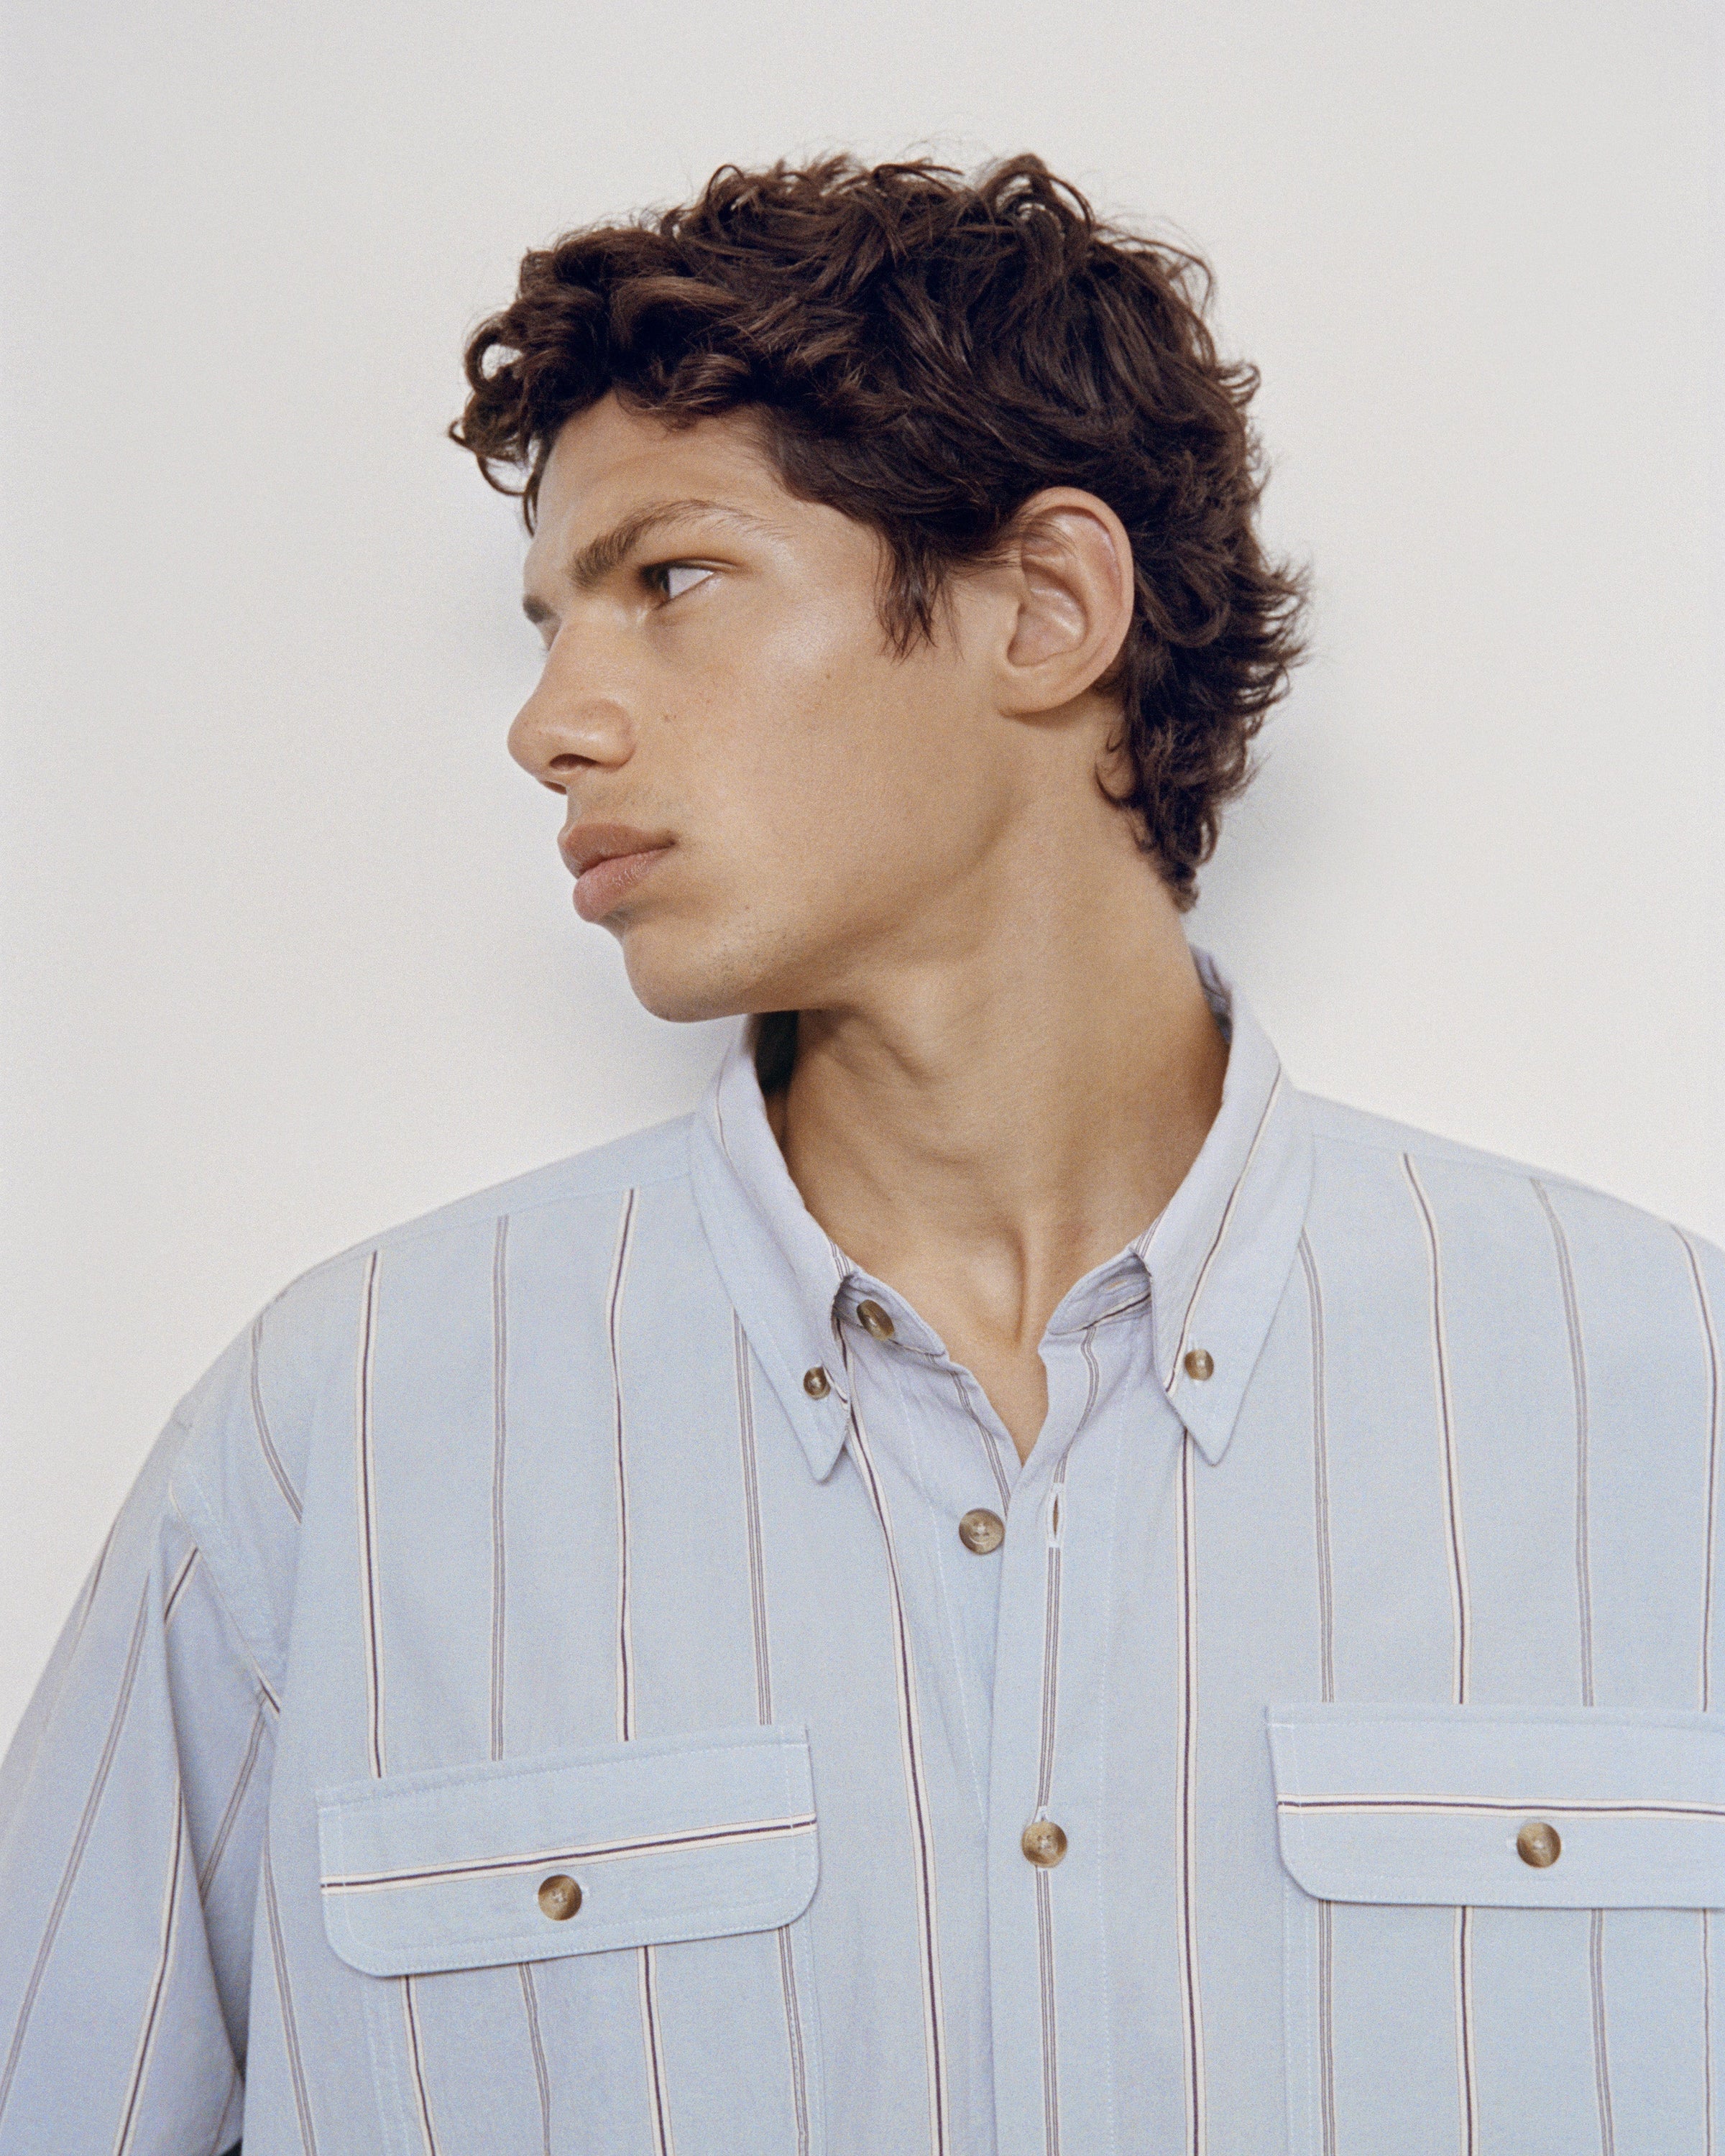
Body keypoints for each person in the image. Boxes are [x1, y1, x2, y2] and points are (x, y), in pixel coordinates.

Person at [0, 151, 1719, 2156]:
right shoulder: (342, 1441)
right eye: (551, 621)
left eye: (669, 581)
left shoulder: (1665, 1403)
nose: (548, 726)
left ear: (1045, 607)